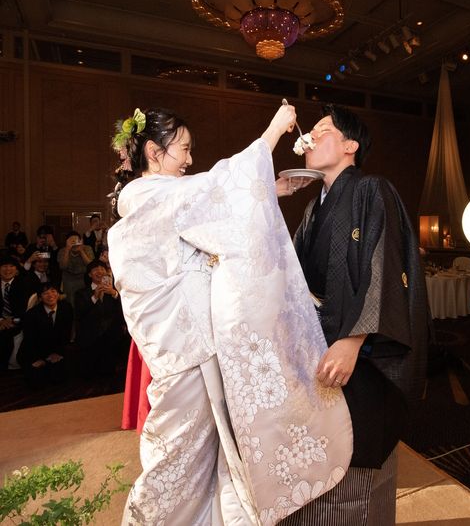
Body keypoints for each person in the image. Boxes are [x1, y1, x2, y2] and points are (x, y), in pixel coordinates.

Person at [107, 106, 352, 525]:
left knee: (214, 453)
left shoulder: (161, 197)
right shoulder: (145, 196)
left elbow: (213, 204)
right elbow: (217, 187)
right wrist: (272, 131)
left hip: (196, 348)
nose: (189, 160)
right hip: (185, 352)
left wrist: (266, 189)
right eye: (184, 149)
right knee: (176, 457)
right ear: (153, 152)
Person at [278, 104, 430, 525]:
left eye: (323, 130)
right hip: (318, 343)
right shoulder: (314, 207)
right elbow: (290, 272)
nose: (310, 136)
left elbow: (385, 264)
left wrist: (354, 339)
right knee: (317, 451)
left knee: (356, 451)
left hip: (357, 351)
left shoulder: (371, 189)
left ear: (350, 146)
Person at [74, 260, 127, 378]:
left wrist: (115, 294)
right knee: (92, 374)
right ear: (89, 274)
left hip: (112, 337)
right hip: (91, 338)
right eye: (95, 269)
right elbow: (79, 314)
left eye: (102, 269)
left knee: (111, 373)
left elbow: (124, 310)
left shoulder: (115, 291)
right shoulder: (81, 293)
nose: (99, 272)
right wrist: (94, 297)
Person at [17, 282, 72, 387]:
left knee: (60, 379)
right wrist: (39, 358)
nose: (50, 295)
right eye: (45, 293)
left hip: (55, 350)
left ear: (58, 294)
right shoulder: (31, 314)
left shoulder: (66, 308)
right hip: (34, 352)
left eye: (53, 291)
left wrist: (57, 353)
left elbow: (66, 334)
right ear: (40, 298)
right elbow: (30, 340)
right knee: (37, 383)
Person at [57, 231, 94, 307]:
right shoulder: (62, 251)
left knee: (84, 302)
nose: (74, 243)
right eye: (72, 241)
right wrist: (67, 249)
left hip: (84, 278)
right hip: (68, 280)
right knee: (70, 303)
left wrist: (81, 251)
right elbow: (63, 266)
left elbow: (91, 266)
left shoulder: (87, 248)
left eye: (76, 240)